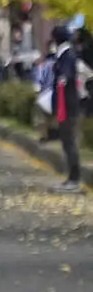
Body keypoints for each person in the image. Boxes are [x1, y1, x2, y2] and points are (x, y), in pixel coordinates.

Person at [49, 25, 83, 191]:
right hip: (67, 105)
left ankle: (74, 178)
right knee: (67, 142)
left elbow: (65, 76)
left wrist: (62, 78)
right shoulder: (65, 55)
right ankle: (72, 177)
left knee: (69, 142)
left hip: (68, 106)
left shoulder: (67, 56)